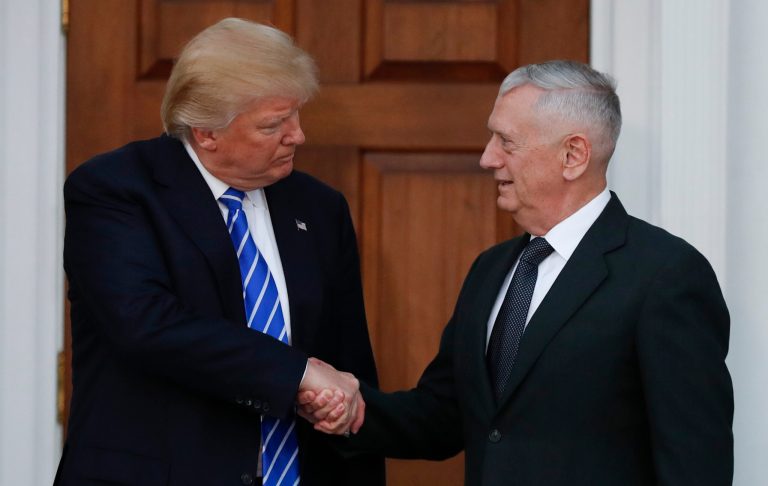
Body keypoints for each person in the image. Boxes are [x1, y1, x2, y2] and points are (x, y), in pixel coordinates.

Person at [302, 60, 734, 485]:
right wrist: (351, 408)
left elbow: (694, 461)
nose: (487, 158)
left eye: (506, 142)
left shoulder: (666, 274)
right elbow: (444, 415)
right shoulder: (492, 269)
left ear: (573, 154)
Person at [54, 18, 383, 486]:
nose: (299, 136)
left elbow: (347, 360)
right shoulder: (116, 191)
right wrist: (297, 374)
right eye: (274, 124)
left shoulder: (319, 207)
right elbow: (146, 323)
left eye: (296, 115)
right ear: (206, 132)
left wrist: (343, 410)